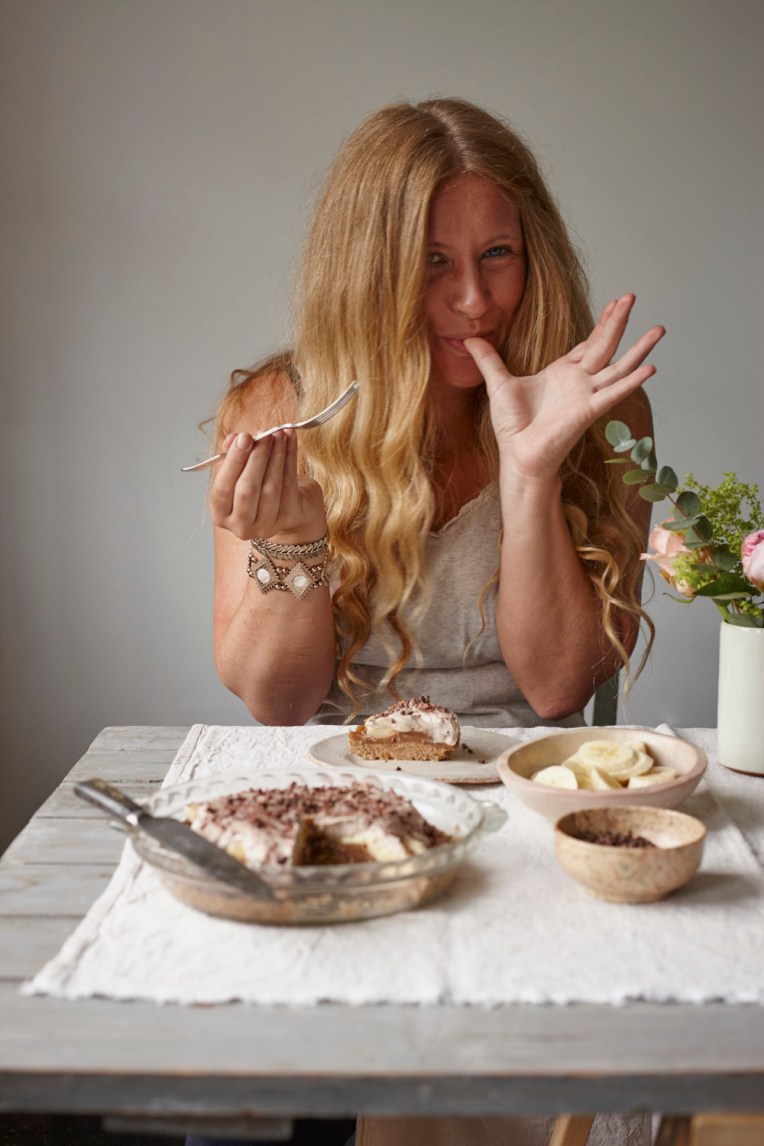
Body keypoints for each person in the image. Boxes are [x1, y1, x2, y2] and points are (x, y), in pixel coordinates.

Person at [199, 97, 663, 1146]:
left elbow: (554, 691)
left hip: (533, 814)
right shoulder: (276, 412)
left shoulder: (603, 412)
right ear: (366, 271)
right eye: (428, 264)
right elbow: (276, 702)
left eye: (495, 255)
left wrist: (531, 471)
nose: (470, 300)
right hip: (336, 816)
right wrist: (299, 544)